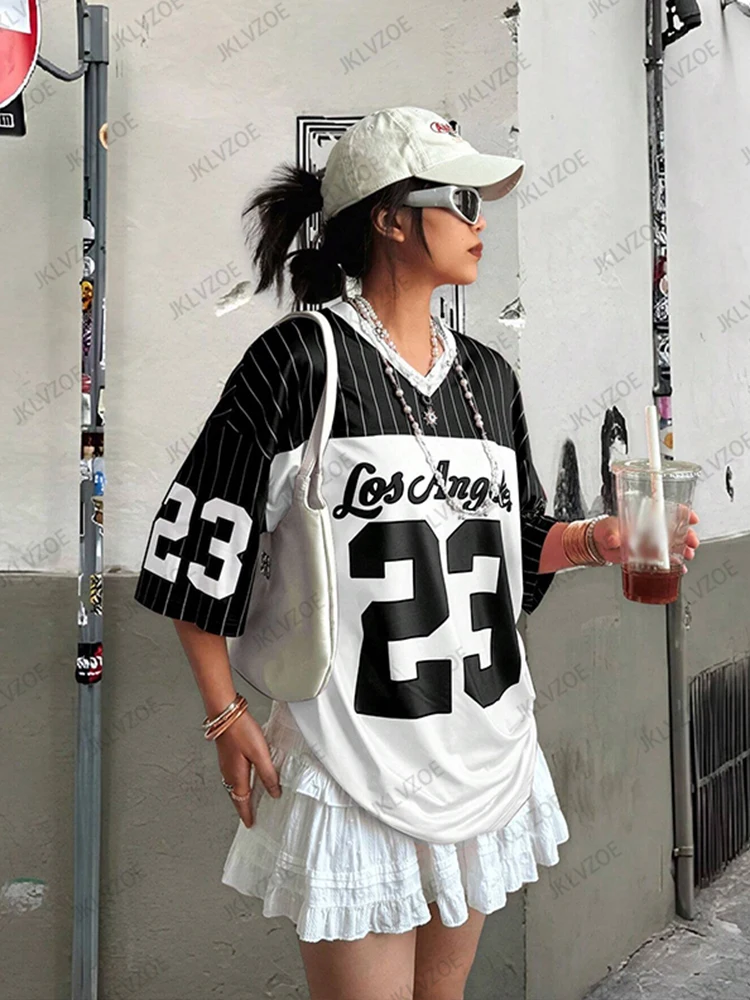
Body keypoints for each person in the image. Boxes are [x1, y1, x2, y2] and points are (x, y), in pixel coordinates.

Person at [133, 106, 700, 1000]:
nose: (482, 222)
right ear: (391, 218)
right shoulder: (299, 362)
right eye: (462, 200)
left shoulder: (489, 378)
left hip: (479, 749)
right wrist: (222, 713)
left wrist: (599, 539)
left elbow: (510, 545)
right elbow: (196, 544)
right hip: (352, 762)